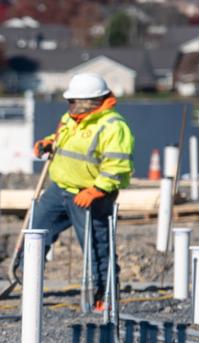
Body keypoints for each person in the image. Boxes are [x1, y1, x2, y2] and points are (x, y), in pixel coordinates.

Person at [27, 73, 134, 312]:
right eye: (70, 101)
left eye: (75, 101)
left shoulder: (113, 126)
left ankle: (103, 295)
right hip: (60, 189)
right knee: (35, 233)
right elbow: (64, 140)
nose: (70, 105)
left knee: (97, 246)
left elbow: (117, 165)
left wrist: (97, 190)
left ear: (93, 100)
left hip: (90, 196)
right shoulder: (71, 118)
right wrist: (48, 143)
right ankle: (29, 283)